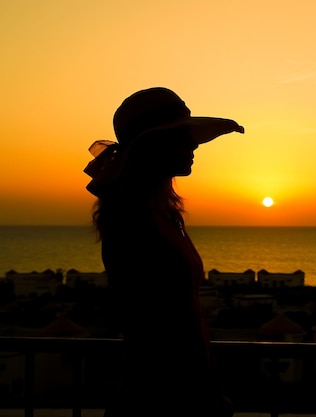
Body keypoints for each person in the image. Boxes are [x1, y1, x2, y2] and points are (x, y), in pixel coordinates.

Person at [84, 87, 244, 416]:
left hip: (185, 388)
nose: (194, 145)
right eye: (182, 137)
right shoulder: (131, 217)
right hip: (160, 396)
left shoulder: (164, 214)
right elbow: (153, 323)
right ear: (152, 146)